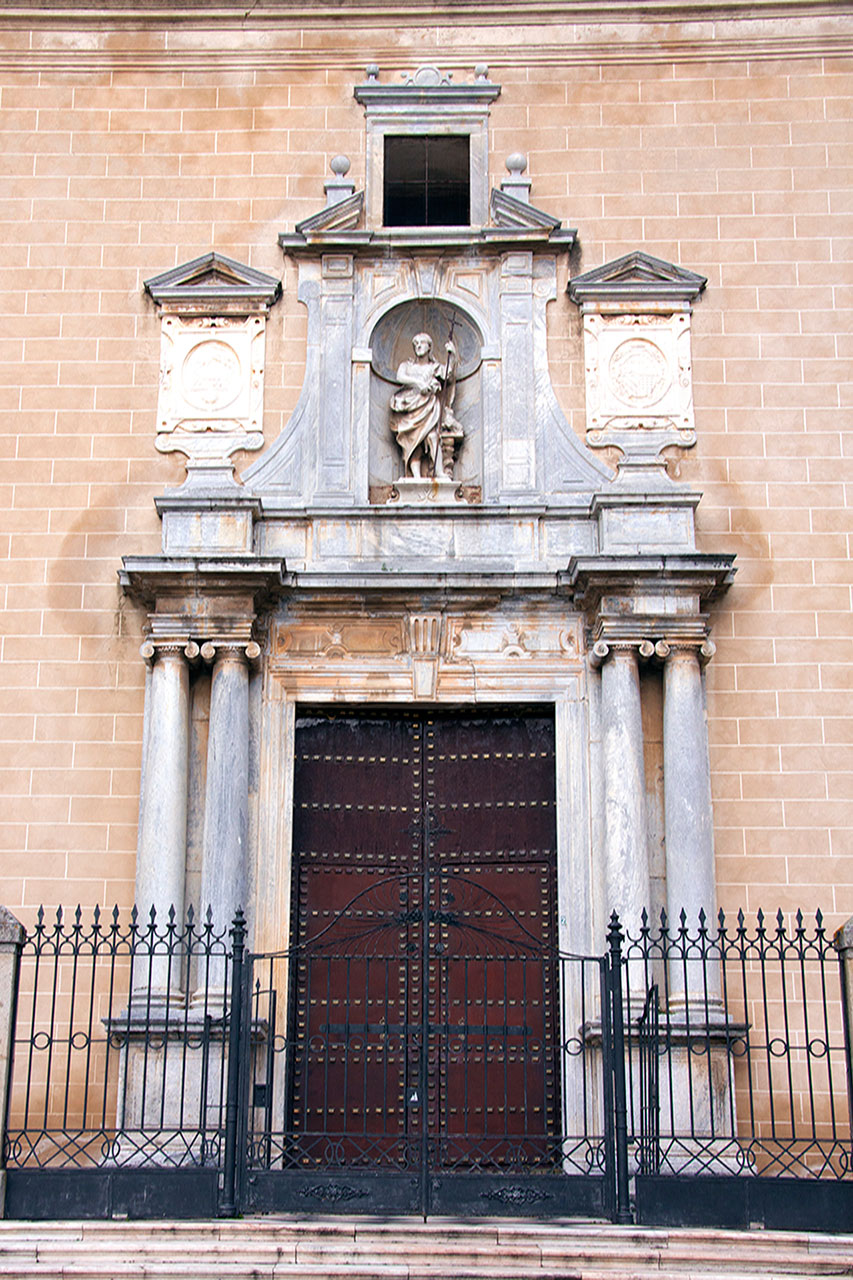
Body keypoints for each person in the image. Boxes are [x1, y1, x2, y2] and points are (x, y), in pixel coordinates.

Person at [390, 332, 460, 479]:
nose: (418, 346)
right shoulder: (407, 366)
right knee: (413, 443)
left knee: (433, 436)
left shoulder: (434, 367)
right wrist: (419, 383)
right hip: (411, 406)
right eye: (416, 344)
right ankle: (416, 477)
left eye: (422, 343)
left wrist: (452, 356)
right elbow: (400, 376)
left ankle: (439, 472)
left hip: (429, 406)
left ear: (429, 347)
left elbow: (448, 374)